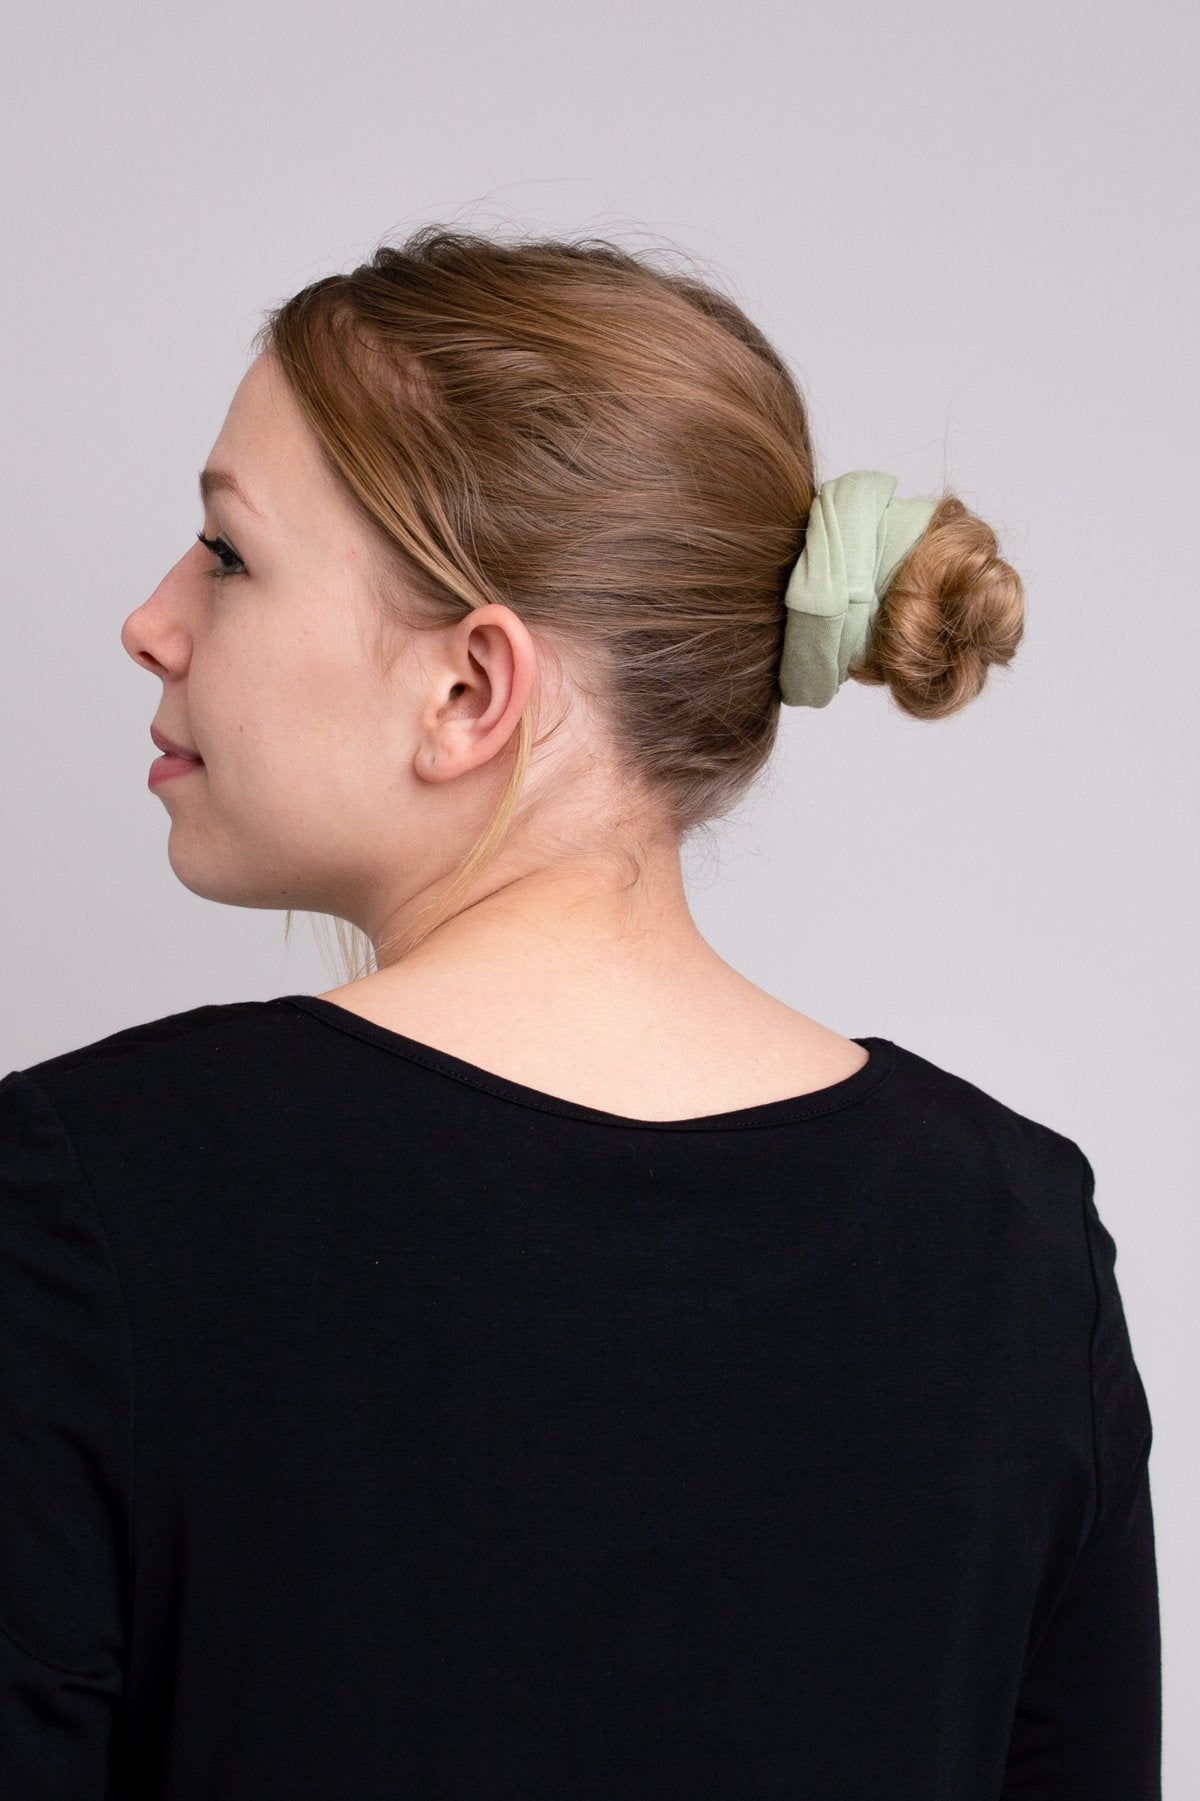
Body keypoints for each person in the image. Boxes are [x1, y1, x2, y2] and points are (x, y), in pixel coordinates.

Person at [1, 226, 1160, 1798]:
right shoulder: (1019, 1245)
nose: (152, 618)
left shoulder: (84, 1197)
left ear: (472, 689)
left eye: (227, 553)